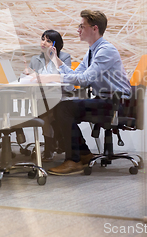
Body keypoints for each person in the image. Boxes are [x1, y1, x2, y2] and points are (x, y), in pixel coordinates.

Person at [34, 10, 131, 175]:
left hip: (117, 103)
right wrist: (56, 60)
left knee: (63, 109)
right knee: (60, 108)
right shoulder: (92, 51)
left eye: (81, 26)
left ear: (94, 28)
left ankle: (74, 160)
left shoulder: (106, 51)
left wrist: (52, 77)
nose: (78, 29)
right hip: (107, 101)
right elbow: (77, 75)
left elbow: (84, 80)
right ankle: (84, 154)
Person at [22, 30, 71, 161]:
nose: (44, 42)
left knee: (46, 112)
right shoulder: (35, 59)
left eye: (48, 40)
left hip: (59, 96)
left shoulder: (64, 57)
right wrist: (27, 74)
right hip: (39, 96)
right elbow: (30, 79)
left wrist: (54, 58)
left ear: (56, 44)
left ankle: (50, 147)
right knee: (46, 111)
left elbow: (66, 80)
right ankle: (55, 141)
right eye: (43, 39)